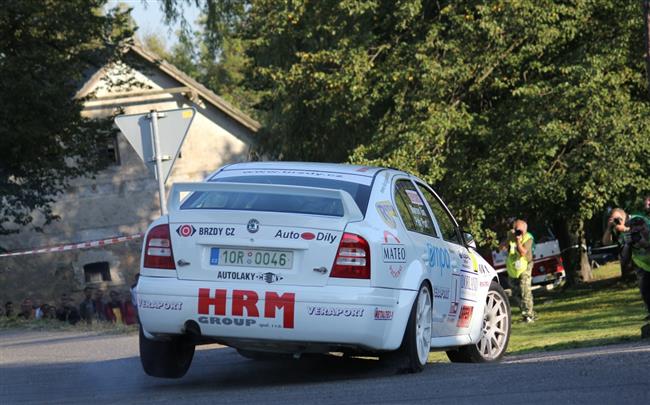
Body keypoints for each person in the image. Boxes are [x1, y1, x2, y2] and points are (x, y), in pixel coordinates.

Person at [504, 219, 536, 323]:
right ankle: (526, 313)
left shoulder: (528, 238)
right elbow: (501, 248)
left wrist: (518, 241)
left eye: (519, 230)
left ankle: (529, 315)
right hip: (514, 268)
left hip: (526, 265)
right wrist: (509, 238)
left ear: (524, 230)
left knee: (525, 289)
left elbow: (522, 252)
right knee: (515, 292)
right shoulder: (511, 235)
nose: (517, 232)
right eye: (515, 229)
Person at [621, 214, 650, 321]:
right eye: (633, 228)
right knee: (645, 291)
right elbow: (624, 260)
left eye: (640, 227)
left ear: (645, 226)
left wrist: (645, 245)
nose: (638, 230)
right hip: (644, 268)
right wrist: (628, 245)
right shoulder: (631, 238)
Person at [602, 208, 633, 280]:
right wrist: (609, 229)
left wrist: (625, 229)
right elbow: (606, 242)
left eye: (618, 219)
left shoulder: (635, 220)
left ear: (624, 216)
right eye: (614, 219)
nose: (617, 221)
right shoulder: (615, 228)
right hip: (627, 267)